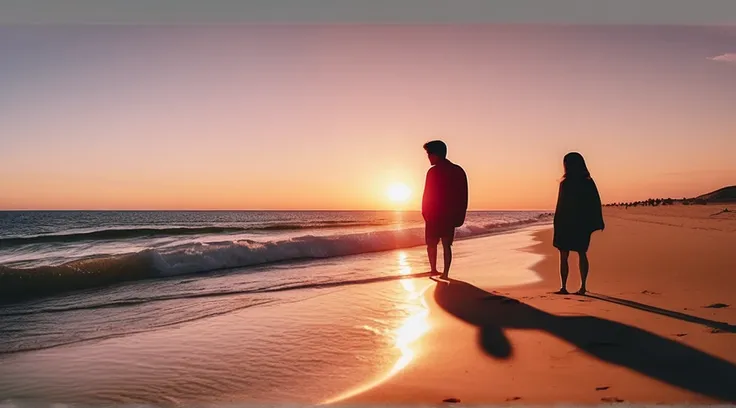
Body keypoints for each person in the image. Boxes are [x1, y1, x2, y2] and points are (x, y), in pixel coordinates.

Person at [553, 152, 605, 295]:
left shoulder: (566, 183)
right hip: (581, 223)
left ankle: (564, 287)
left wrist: (556, 223)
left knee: (564, 255)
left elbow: (560, 206)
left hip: (566, 222)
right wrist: (597, 222)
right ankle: (582, 287)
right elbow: (595, 202)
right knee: (581, 253)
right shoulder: (588, 181)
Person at [421, 140, 469, 279]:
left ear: (436, 154)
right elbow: (464, 195)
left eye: (429, 155)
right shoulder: (458, 170)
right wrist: (460, 216)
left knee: (432, 244)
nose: (428, 158)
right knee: (446, 244)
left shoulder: (433, 172)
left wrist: (425, 212)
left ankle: (433, 270)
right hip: (449, 215)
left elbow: (427, 194)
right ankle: (445, 273)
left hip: (435, 215)